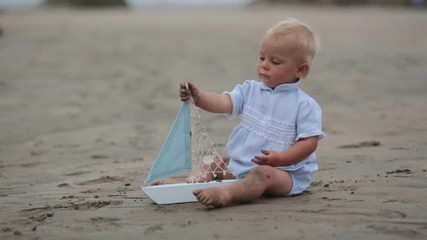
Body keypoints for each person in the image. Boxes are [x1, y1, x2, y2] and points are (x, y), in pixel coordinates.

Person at [172, 18, 324, 207]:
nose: (265, 65)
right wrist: (199, 97)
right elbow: (224, 102)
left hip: (285, 174)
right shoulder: (250, 90)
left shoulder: (304, 105)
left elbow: (309, 143)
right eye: (262, 58)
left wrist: (281, 159)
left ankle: (227, 194)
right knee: (214, 162)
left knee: (262, 174)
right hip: (244, 165)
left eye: (275, 62)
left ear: (300, 70)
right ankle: (186, 186)